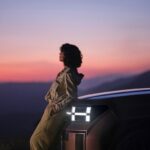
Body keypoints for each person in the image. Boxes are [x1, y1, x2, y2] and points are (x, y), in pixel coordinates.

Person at [30, 43, 84, 150]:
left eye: (62, 52)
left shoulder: (68, 74)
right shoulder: (65, 72)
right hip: (53, 111)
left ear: (67, 55)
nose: (59, 54)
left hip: (55, 112)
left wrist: (55, 108)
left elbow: (71, 96)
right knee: (42, 142)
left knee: (38, 142)